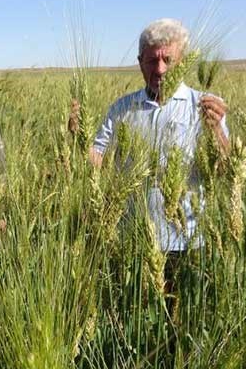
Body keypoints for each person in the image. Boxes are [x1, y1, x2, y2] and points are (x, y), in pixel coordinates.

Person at [74, 18, 230, 256]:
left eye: (168, 60)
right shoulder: (122, 108)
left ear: (183, 61)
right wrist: (78, 138)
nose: (160, 69)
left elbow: (225, 171)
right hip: (130, 238)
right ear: (140, 63)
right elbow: (99, 159)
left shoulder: (204, 106)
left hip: (187, 242)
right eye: (151, 60)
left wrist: (217, 132)